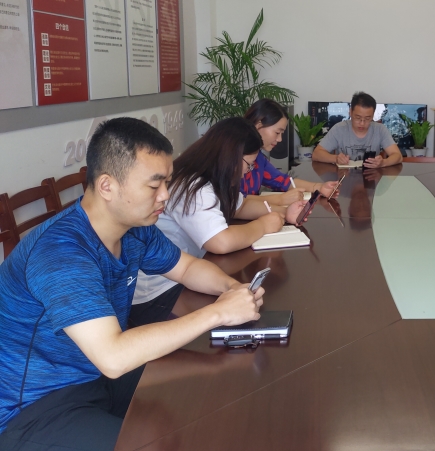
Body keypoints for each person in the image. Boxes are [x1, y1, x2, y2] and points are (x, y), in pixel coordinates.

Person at [0, 118, 264, 450]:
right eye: (154, 186)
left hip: (96, 376)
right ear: (107, 186)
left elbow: (187, 268)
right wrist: (218, 314)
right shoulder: (61, 252)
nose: (165, 195)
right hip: (35, 407)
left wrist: (231, 289)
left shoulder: (136, 229)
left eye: (167, 182)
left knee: (209, 384)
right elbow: (113, 356)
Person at [130, 117, 305, 327]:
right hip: (159, 293)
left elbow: (240, 206)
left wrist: (284, 213)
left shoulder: (214, 178)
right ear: (231, 157)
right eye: (248, 165)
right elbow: (220, 242)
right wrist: (263, 226)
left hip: (185, 273)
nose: (247, 172)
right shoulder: (193, 185)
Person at [240, 99, 338, 204]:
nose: (280, 139)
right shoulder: (233, 156)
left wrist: (319, 187)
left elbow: (282, 181)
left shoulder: (259, 157)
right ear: (258, 125)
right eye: (277, 132)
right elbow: (236, 202)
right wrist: (281, 199)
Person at [312, 91, 402, 168]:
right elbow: (316, 154)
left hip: (371, 178)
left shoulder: (380, 130)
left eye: (367, 118)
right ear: (350, 112)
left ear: (373, 115)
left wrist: (383, 163)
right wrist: (336, 158)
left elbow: (398, 156)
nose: (362, 123)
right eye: (358, 118)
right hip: (344, 177)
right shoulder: (339, 129)